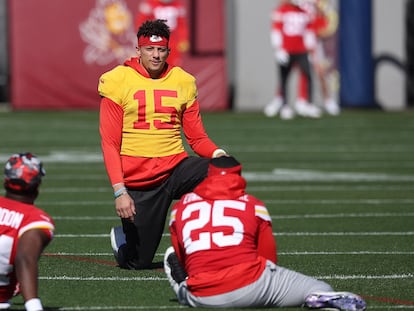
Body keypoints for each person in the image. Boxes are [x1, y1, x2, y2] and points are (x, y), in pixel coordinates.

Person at [98, 19, 227, 270]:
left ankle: (200, 244)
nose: (156, 55)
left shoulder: (183, 80)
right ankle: (124, 241)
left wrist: (219, 154)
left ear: (169, 51)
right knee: (138, 262)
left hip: (175, 168)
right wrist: (119, 191)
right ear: (138, 50)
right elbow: (110, 143)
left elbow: (197, 138)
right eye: (150, 49)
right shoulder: (117, 80)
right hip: (140, 181)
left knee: (223, 172)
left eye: (161, 50)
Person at [164, 156, 366, 310]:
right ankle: (318, 298)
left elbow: (182, 257)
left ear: (209, 174)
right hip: (252, 286)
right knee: (320, 288)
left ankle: (183, 291)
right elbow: (268, 258)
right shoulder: (254, 205)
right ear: (238, 175)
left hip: (204, 296)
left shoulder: (180, 208)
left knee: (178, 268)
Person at [0, 153, 55, 311]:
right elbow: (25, 258)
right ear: (37, 185)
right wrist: (33, 305)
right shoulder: (36, 219)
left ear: (6, 181)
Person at [264, 0, 321, 119]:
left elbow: (308, 31)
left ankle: (308, 104)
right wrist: (278, 49)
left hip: (301, 50)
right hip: (286, 50)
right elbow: (276, 30)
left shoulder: (305, 11)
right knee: (284, 79)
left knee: (308, 75)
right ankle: (284, 105)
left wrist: (310, 50)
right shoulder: (282, 10)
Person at [135, 0, 189, 67]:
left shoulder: (178, 5)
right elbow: (141, 23)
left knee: (173, 65)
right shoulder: (150, 4)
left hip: (172, 41)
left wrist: (183, 39)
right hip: (154, 40)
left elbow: (182, 25)